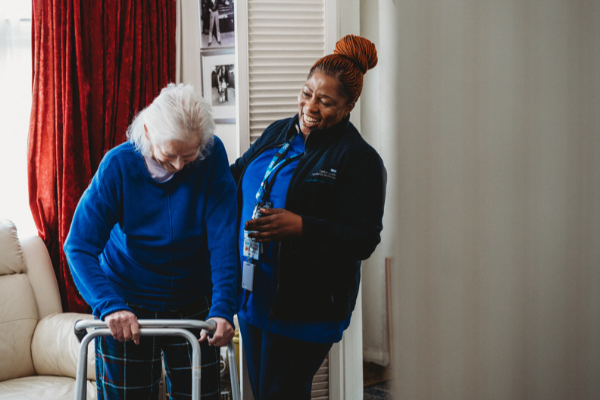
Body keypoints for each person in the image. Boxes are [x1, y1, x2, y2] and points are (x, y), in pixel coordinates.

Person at [230, 35, 386, 400]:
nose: (310, 107)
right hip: (254, 294)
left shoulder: (359, 160)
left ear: (348, 106)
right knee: (264, 392)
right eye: (306, 93)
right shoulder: (278, 131)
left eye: (326, 101)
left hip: (306, 308)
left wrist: (301, 227)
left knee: (282, 394)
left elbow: (364, 238)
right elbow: (235, 174)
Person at [64, 83, 238, 400]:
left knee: (203, 394)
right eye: (169, 155)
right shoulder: (118, 166)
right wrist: (110, 305)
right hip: (128, 299)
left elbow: (224, 240)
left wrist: (223, 309)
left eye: (189, 156)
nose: (178, 166)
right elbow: (78, 246)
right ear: (147, 131)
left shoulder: (211, 157)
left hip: (192, 298)